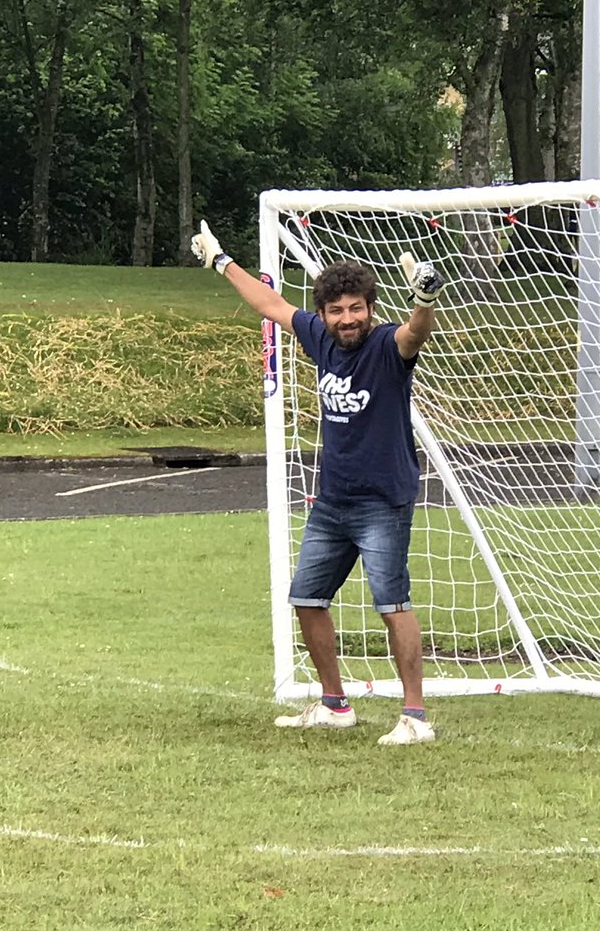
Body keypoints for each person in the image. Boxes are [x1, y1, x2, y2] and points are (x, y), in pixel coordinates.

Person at [190, 220, 444, 745]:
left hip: (383, 502)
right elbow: (271, 304)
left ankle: (415, 717)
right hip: (332, 503)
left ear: (370, 308)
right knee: (307, 598)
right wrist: (220, 261)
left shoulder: (387, 345)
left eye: (356, 308)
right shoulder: (321, 340)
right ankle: (334, 705)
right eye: (336, 311)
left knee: (392, 605)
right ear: (324, 314)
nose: (347, 319)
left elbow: (415, 333)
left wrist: (423, 300)